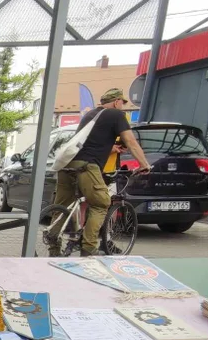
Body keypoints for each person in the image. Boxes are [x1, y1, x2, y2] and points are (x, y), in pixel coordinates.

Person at [54, 88, 152, 256]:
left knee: (62, 207)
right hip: (87, 166)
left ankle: (52, 242)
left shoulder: (90, 114)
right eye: (122, 103)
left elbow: (91, 141)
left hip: (67, 165)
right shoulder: (116, 115)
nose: (123, 107)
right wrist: (144, 164)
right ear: (116, 102)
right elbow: (131, 142)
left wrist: (109, 148)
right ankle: (89, 248)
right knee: (101, 204)